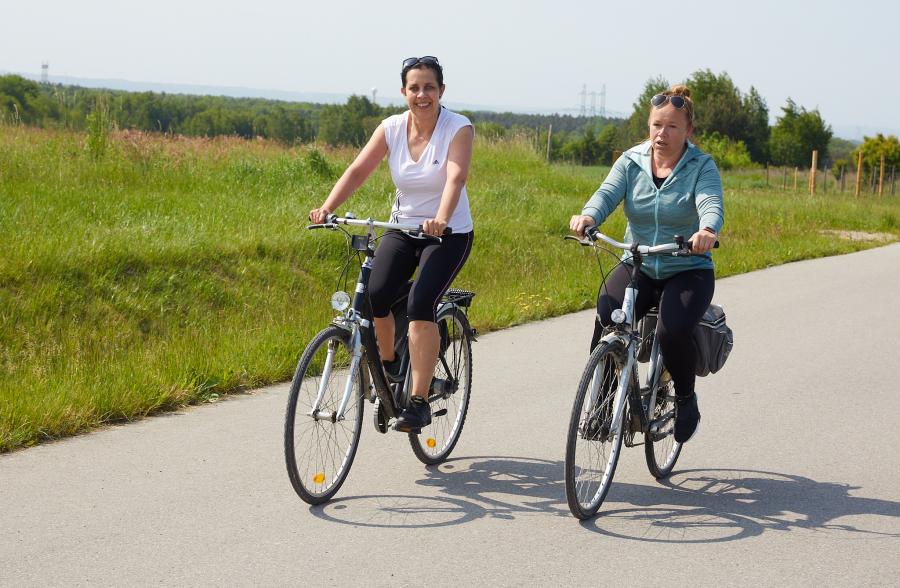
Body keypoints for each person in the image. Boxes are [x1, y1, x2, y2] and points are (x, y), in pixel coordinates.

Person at [309, 56, 475, 432]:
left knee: (420, 304)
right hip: (403, 227)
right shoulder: (392, 128)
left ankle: (417, 402)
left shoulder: (457, 128)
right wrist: (328, 207)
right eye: (414, 88)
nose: (422, 94)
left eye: (429, 87)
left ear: (441, 91)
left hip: (448, 233)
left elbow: (456, 178)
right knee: (374, 296)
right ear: (404, 92)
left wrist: (441, 218)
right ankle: (389, 367)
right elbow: (358, 170)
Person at [569, 84, 723, 443]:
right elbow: (607, 193)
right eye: (656, 125)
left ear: (688, 131)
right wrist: (589, 216)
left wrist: (707, 230)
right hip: (639, 262)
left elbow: (711, 202)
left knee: (672, 331)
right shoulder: (631, 161)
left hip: (687, 267)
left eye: (672, 127)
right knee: (607, 314)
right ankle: (603, 404)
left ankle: (685, 398)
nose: (661, 134)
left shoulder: (701, 166)